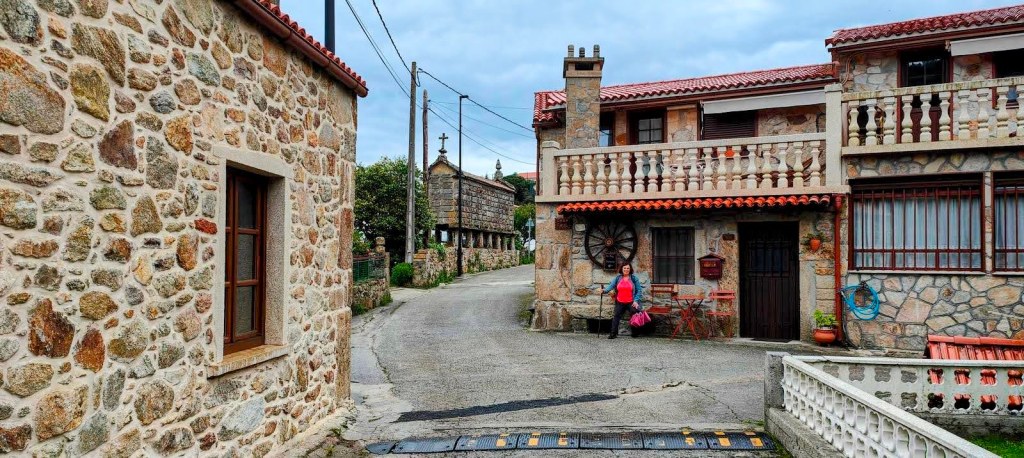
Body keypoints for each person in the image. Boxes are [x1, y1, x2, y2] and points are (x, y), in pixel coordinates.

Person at [601, 263, 643, 339]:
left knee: (634, 313)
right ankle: (613, 333)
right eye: (624, 268)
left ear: (630, 269)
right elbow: (611, 286)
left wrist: (636, 301)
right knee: (616, 316)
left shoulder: (634, 278)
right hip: (620, 301)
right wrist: (604, 291)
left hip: (631, 301)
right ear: (622, 269)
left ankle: (635, 332)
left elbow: (639, 291)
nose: (626, 269)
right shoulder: (618, 278)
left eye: (628, 268)